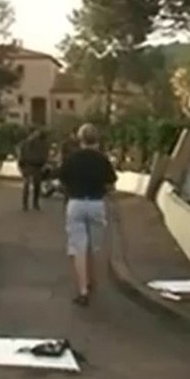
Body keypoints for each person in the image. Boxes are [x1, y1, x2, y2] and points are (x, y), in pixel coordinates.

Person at [57, 123, 117, 306]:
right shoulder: (102, 160)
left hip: (76, 203)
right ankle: (92, 280)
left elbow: (62, 180)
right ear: (97, 139)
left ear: (80, 139)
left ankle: (83, 290)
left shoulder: (72, 159)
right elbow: (111, 184)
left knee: (79, 247)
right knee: (94, 246)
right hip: (96, 204)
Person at [16, 128, 50, 210]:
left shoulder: (41, 143)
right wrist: (21, 166)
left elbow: (44, 154)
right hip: (27, 166)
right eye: (35, 133)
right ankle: (25, 204)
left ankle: (35, 203)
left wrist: (43, 163)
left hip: (37, 166)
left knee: (37, 185)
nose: (36, 135)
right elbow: (20, 155)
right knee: (26, 185)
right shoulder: (24, 143)